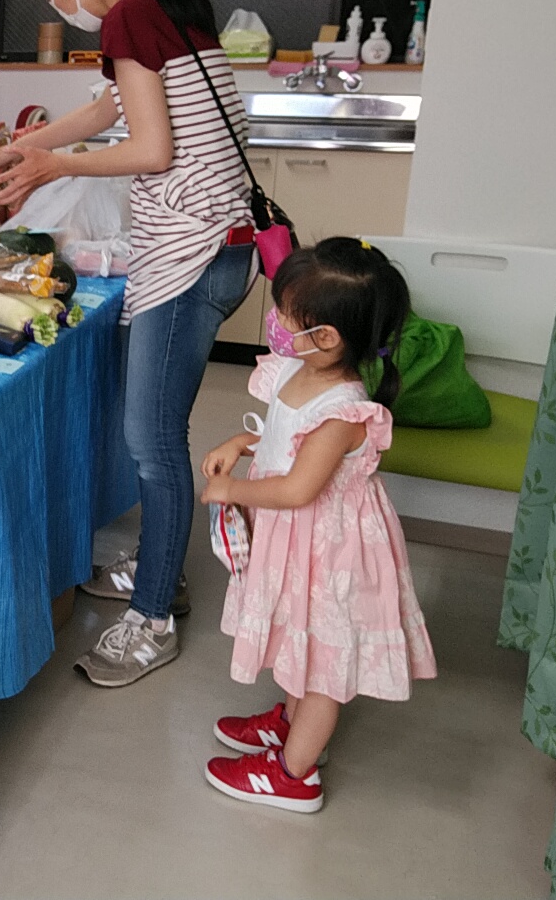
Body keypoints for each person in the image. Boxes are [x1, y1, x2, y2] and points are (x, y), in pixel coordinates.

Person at [0, 0, 254, 686]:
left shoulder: (129, 13)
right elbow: (110, 112)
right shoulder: (165, 3)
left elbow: (152, 146)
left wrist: (51, 169)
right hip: (217, 248)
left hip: (189, 256)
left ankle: (152, 618)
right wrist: (15, 146)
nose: (59, 4)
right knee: (157, 431)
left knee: (153, 444)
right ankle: (165, 572)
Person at [196, 238, 436, 812]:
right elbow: (284, 435)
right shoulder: (298, 368)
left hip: (328, 547)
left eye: (286, 315)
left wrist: (234, 489)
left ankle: (294, 773)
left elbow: (301, 487)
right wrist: (242, 442)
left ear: (327, 336)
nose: (276, 322)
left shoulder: (343, 409)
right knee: (297, 632)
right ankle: (291, 720)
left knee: (324, 658)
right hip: (296, 539)